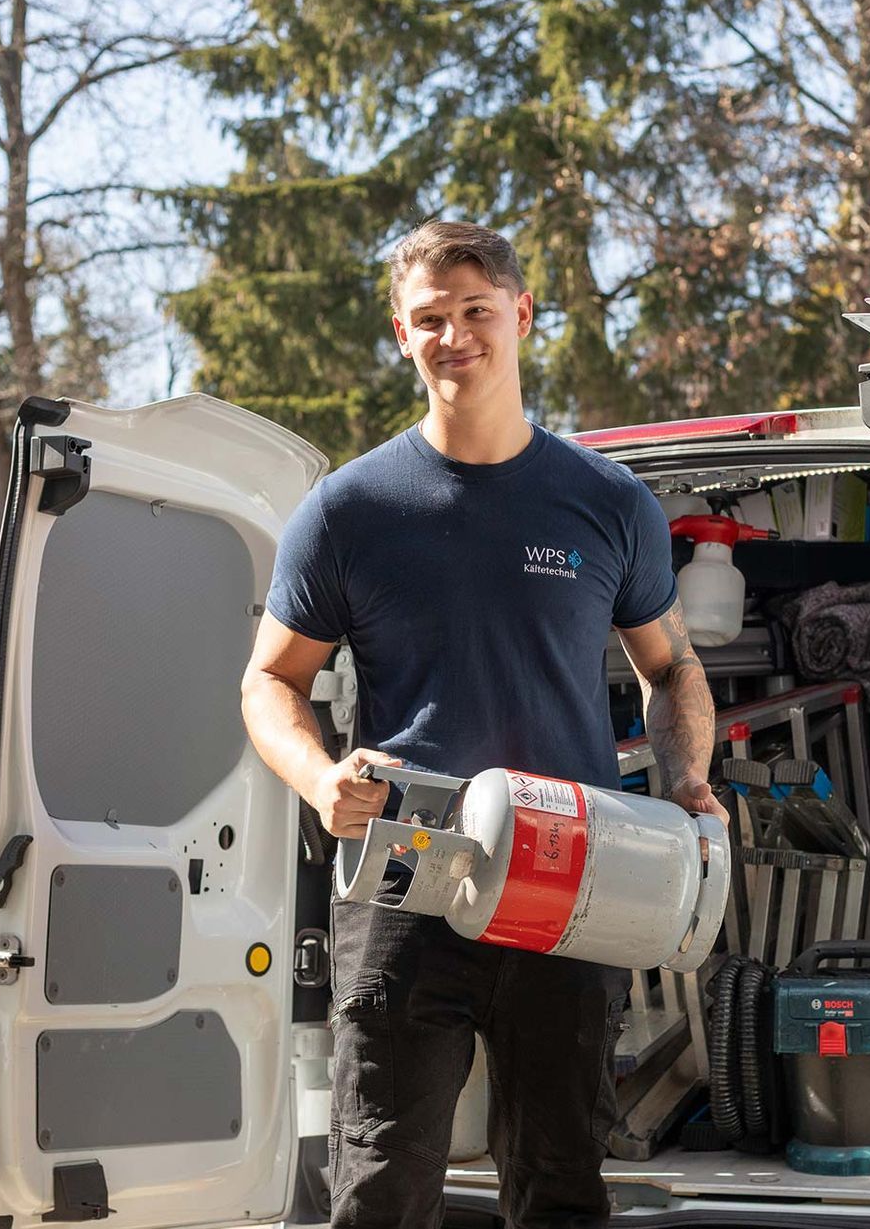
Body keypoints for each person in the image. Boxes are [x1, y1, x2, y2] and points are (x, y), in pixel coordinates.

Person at [240, 220, 721, 1229]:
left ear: (522, 315)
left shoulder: (606, 503)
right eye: (429, 319)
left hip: (569, 878)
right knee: (382, 1186)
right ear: (401, 334)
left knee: (561, 1184)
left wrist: (686, 781)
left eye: (475, 311)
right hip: (407, 875)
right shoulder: (348, 511)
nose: (454, 336)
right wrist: (322, 780)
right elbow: (270, 682)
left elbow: (672, 665)